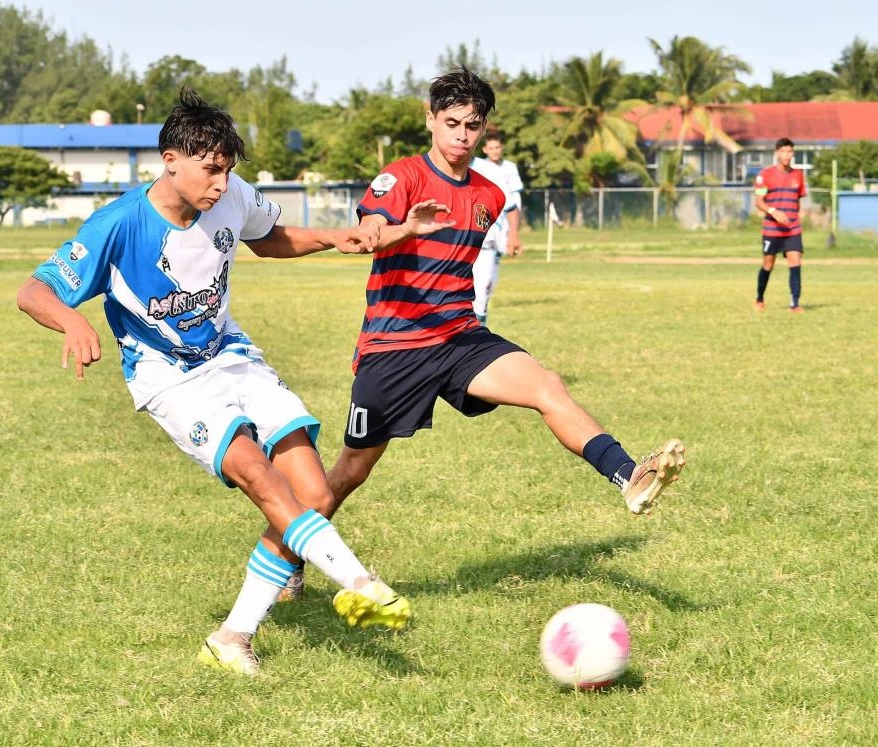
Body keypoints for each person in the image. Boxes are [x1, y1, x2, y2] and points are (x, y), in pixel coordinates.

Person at [16, 87, 409, 677]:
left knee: (315, 496)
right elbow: (33, 290)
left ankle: (232, 636)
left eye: (227, 170)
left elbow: (269, 240)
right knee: (259, 474)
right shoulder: (119, 224)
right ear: (170, 158)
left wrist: (331, 236)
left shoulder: (229, 195)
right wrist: (72, 319)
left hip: (230, 353)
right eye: (211, 170)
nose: (221, 185)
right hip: (168, 375)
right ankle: (358, 581)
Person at [280, 67, 686, 600]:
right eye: (451, 123)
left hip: (460, 337)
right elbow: (368, 236)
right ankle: (287, 557)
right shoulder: (400, 178)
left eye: (472, 125)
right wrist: (405, 227)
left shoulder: (489, 194)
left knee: (548, 386)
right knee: (352, 469)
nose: (462, 136)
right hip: (394, 347)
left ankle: (628, 474)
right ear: (430, 120)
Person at [469, 132, 523, 324]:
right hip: (451, 244)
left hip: (490, 235)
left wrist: (514, 235)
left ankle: (477, 334)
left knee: (483, 288)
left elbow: (512, 203)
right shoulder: (439, 168)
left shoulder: (491, 171)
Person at [753, 137, 806, 312]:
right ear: (776, 153)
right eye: (783, 151)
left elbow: (797, 201)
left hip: (792, 229)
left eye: (789, 151)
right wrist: (774, 212)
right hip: (772, 229)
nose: (786, 155)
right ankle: (759, 298)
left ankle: (795, 304)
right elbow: (759, 201)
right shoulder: (764, 175)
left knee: (795, 261)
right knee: (768, 264)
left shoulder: (798, 175)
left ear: (793, 153)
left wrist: (794, 218)